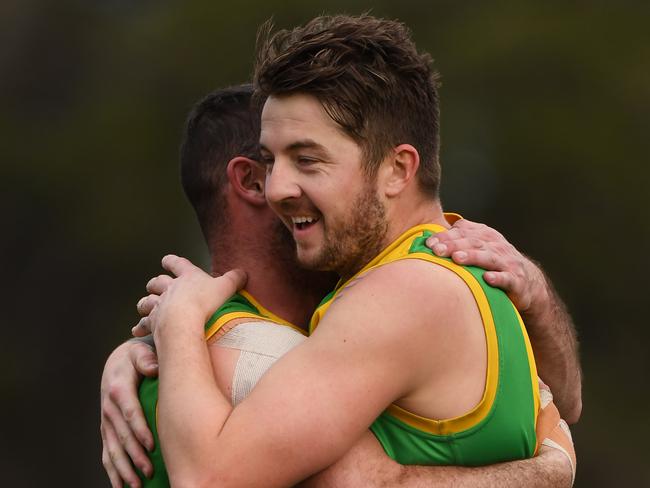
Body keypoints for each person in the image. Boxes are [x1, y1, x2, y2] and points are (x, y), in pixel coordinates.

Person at [119, 14, 580, 487]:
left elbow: (209, 480)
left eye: (307, 160)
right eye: (269, 160)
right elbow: (566, 405)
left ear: (398, 170)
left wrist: (177, 324)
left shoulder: (401, 295)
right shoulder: (460, 266)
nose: (276, 188)